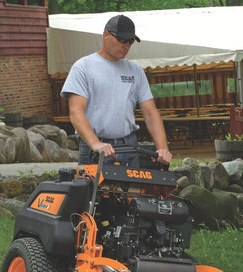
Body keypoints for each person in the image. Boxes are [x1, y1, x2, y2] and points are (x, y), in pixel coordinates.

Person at [61, 14, 172, 168]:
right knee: (94, 192)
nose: (126, 45)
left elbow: (150, 112)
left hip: (129, 145)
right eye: (121, 40)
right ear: (106, 35)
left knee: (132, 192)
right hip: (95, 149)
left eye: (130, 41)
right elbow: (76, 111)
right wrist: (95, 143)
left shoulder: (136, 71)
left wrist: (162, 148)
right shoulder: (83, 67)